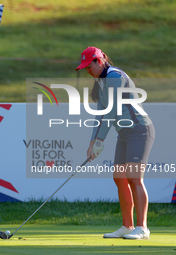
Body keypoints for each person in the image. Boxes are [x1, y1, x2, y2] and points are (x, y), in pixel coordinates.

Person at [75, 46, 155, 240]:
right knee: (119, 178)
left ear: (99, 60)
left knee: (134, 178)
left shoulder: (114, 76)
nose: (87, 70)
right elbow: (100, 114)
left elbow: (112, 111)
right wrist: (92, 141)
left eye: (89, 66)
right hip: (124, 134)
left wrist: (101, 140)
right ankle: (127, 226)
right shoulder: (102, 82)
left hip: (140, 130)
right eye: (84, 68)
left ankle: (142, 228)